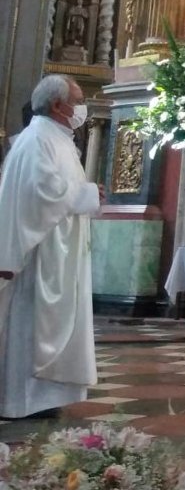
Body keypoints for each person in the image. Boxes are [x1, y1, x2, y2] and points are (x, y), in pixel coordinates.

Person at [0, 75, 104, 418]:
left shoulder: (55, 137)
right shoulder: (37, 139)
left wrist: (85, 193)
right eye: (77, 100)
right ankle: (28, 400)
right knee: (35, 325)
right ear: (58, 106)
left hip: (59, 253)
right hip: (41, 256)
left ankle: (47, 397)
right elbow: (40, 194)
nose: (81, 108)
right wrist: (87, 194)